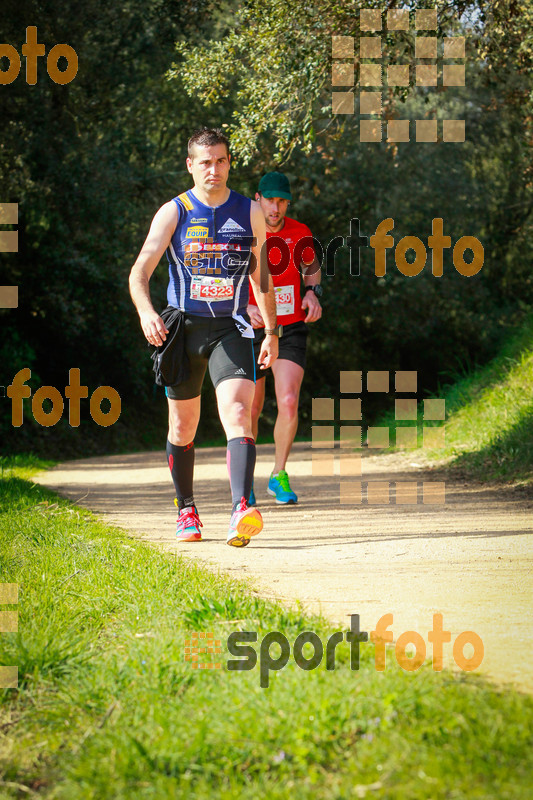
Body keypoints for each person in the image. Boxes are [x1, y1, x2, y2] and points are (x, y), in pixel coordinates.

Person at [129, 128, 280, 546]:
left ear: (229, 162)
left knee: (237, 410)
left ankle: (240, 509)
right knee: (184, 426)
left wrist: (272, 332)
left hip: (231, 327)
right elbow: (140, 272)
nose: (214, 169)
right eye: (205, 161)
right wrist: (145, 312)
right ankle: (186, 510)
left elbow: (262, 275)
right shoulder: (174, 212)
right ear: (191, 165)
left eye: (221, 160)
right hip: (183, 330)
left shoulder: (249, 211)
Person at [247, 171, 322, 504]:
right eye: (270, 200)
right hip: (249, 328)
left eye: (281, 201)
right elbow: (224, 274)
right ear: (258, 198)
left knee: (289, 400)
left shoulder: (300, 232)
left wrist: (312, 293)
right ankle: (243, 479)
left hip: (290, 326)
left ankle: (279, 475)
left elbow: (312, 268)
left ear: (287, 202)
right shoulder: (244, 229)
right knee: (251, 407)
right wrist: (241, 307)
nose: (275, 209)